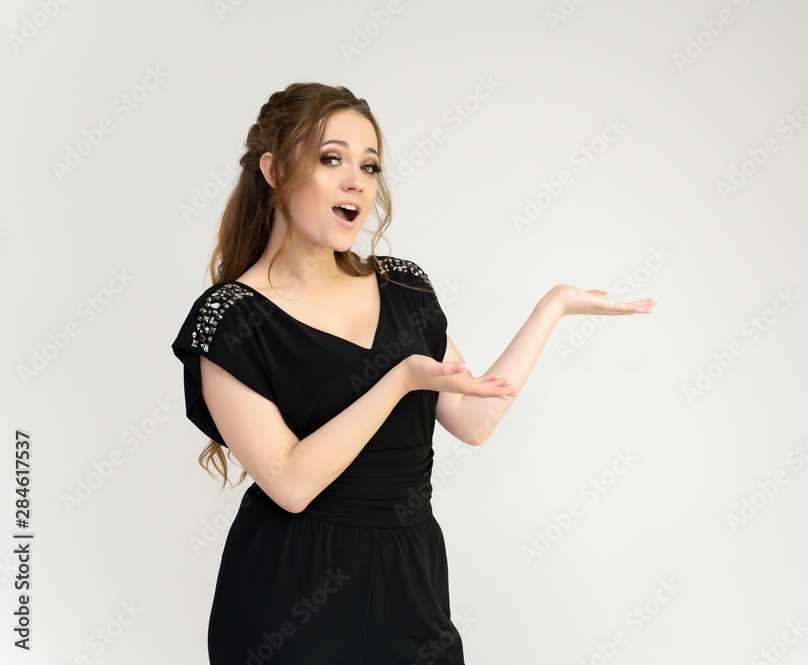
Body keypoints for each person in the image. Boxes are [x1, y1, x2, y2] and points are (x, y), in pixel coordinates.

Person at [170, 82, 656, 664]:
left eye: (369, 166)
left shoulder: (404, 288)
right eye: (332, 158)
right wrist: (399, 380)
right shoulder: (229, 318)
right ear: (274, 170)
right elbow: (292, 485)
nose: (357, 181)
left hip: (411, 582)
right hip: (291, 597)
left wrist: (553, 306)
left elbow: (473, 419)